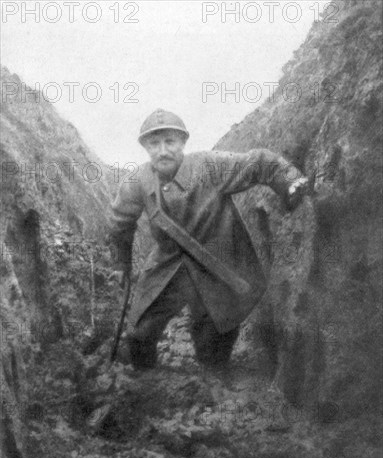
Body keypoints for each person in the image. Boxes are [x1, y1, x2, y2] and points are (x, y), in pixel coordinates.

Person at [109, 108, 307, 371]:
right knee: (139, 333)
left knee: (214, 340)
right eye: (154, 143)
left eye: (170, 141)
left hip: (215, 265)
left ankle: (215, 387)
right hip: (167, 266)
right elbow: (120, 224)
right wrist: (121, 263)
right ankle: (144, 384)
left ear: (183, 143)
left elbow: (258, 162)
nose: (162, 150)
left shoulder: (209, 166)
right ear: (146, 148)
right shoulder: (137, 182)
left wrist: (291, 181)